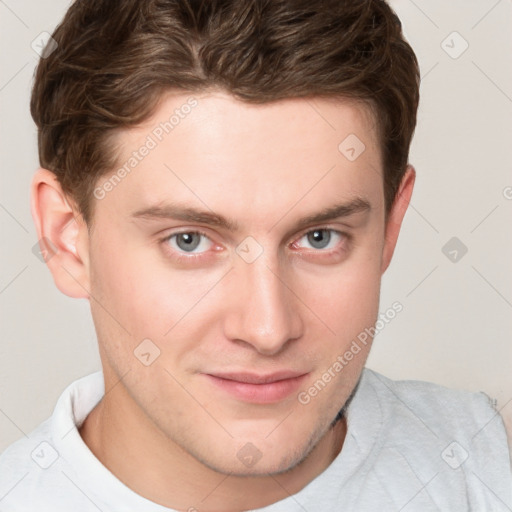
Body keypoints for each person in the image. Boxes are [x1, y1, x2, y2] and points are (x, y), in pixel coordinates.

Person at [1, 0, 510, 510]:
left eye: (319, 237)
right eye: (189, 241)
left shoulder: (486, 471)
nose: (268, 329)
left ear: (390, 226)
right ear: (68, 241)